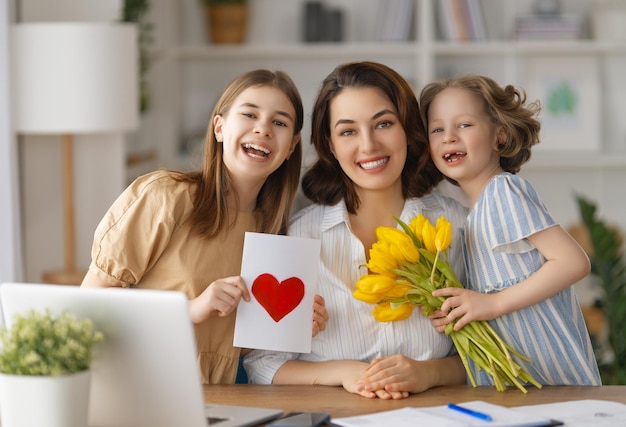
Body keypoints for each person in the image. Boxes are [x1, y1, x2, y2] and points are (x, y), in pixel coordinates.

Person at [81, 69, 328, 385]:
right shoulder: (165, 196)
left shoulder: (274, 230)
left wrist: (290, 325)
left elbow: (232, 349)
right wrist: (192, 309)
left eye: (279, 122)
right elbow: (90, 306)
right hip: (142, 386)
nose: (263, 129)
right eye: (250, 114)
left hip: (224, 398)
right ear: (220, 127)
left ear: (291, 147)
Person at [244, 61, 469, 399]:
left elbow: (500, 348)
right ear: (330, 146)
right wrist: (343, 372)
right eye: (348, 131)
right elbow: (261, 364)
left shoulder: (459, 225)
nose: (369, 145)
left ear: (407, 129)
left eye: (383, 124)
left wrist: (430, 372)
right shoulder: (295, 236)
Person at [419, 74, 601, 386]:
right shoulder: (468, 217)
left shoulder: (503, 191)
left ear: (499, 136)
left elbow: (573, 261)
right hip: (518, 384)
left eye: (464, 125)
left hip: (552, 381)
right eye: (438, 129)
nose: (449, 137)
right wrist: (457, 311)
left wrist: (493, 304)